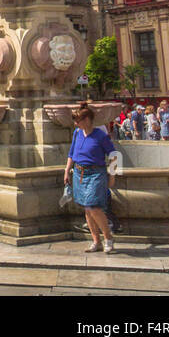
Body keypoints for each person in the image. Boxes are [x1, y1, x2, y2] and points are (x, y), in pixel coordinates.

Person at [63, 101, 116, 254]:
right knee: (87, 209)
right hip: (79, 173)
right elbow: (71, 153)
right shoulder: (77, 133)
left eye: (77, 120)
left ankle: (108, 238)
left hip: (95, 173)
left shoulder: (100, 135)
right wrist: (67, 170)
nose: (75, 123)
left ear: (87, 120)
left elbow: (114, 155)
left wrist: (112, 176)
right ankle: (96, 241)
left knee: (93, 206)